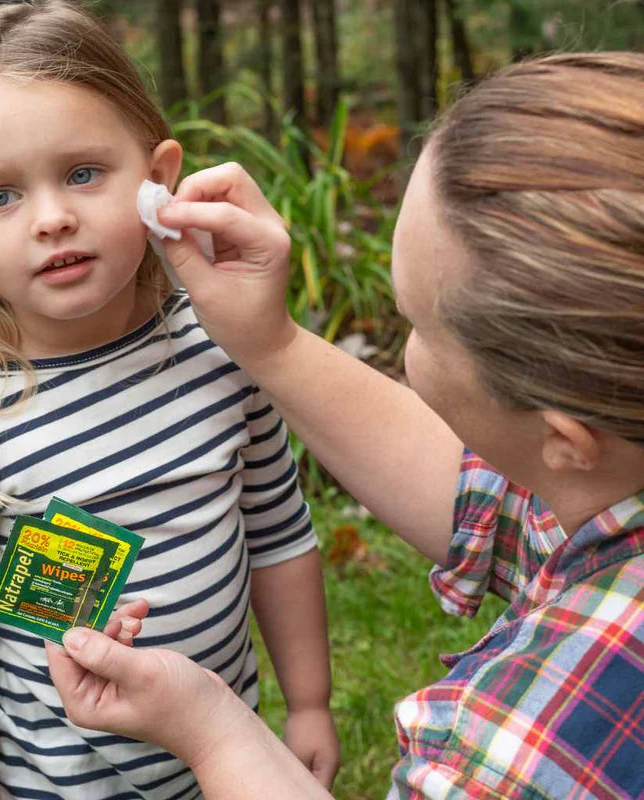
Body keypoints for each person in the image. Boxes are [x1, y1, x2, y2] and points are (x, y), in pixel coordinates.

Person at [47, 52, 644, 799]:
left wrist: (208, 725)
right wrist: (271, 342)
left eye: (415, 326)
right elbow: (495, 505)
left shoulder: (537, 743)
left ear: (567, 441)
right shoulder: (620, 457)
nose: (403, 346)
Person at [0, 2, 339, 798]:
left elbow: (276, 528)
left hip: (230, 764)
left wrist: (309, 703)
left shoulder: (219, 345)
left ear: (157, 179)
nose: (52, 218)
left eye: (83, 173)